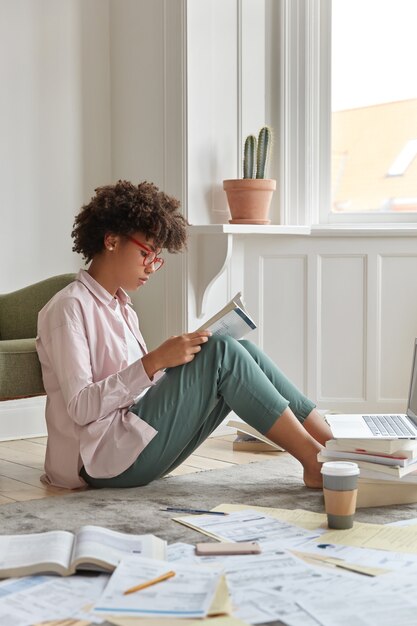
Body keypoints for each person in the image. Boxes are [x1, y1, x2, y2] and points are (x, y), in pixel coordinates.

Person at [36, 180, 333, 490]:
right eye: (146, 254)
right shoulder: (68, 308)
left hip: (130, 441)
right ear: (111, 240)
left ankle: (336, 445)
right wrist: (154, 362)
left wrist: (173, 363)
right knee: (222, 352)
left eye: (156, 259)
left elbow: (135, 393)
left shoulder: (122, 307)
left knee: (242, 350)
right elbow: (81, 407)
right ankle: (315, 462)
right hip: (98, 462)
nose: (151, 267)